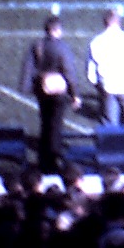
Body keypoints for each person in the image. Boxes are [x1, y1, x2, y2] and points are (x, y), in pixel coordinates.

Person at [18, 16, 82, 173]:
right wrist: (75, 94)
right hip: (58, 91)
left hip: (42, 89)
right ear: (58, 30)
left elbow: (28, 67)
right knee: (56, 126)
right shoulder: (62, 48)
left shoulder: (37, 45)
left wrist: (26, 88)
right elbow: (69, 71)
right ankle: (53, 160)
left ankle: (43, 159)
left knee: (45, 123)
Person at [86, 6, 124, 134]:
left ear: (104, 22)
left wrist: (98, 86)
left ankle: (110, 152)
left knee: (109, 124)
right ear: (119, 22)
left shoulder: (96, 42)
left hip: (107, 87)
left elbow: (91, 73)